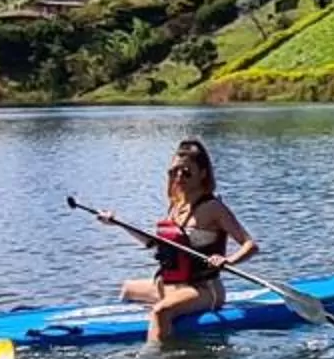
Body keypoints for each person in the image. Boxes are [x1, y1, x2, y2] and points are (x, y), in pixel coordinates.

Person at [96, 139, 262, 344]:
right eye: (174, 171)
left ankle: (156, 355)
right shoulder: (176, 204)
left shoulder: (213, 208)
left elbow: (250, 245)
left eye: (186, 172)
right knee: (128, 289)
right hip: (170, 286)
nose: (179, 177)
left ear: (203, 174)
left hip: (203, 289)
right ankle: (148, 330)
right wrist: (117, 223)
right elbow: (154, 243)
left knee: (161, 311)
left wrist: (228, 260)